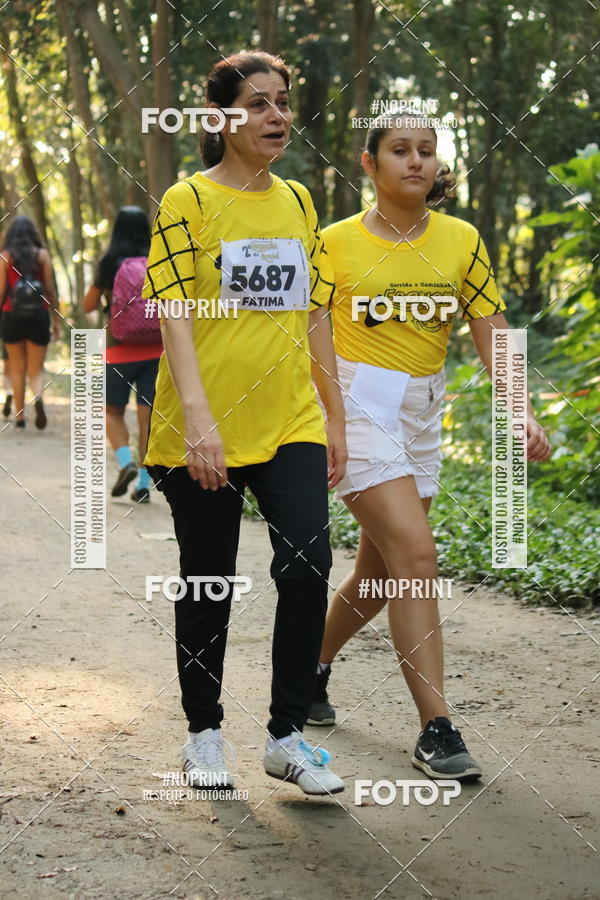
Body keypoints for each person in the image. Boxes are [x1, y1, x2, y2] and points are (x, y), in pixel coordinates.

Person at [307, 114, 551, 781]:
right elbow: (312, 330)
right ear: (370, 163)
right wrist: (331, 417)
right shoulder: (333, 242)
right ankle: (436, 729)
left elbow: (492, 329)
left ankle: (308, 670)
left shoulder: (461, 239)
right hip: (356, 404)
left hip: (422, 409)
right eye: (399, 150)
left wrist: (521, 409)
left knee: (381, 574)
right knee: (416, 556)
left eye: (425, 151)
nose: (415, 161)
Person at [143, 51, 348, 795]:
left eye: (282, 102)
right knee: (210, 582)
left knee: (309, 565)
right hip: (202, 425)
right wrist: (200, 420)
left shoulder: (297, 200)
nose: (276, 116)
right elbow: (172, 311)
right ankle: (204, 734)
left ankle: (286, 736)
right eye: (258, 104)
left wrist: (335, 413)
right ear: (219, 119)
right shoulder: (188, 201)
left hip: (289, 417)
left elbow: (316, 311)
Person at [84, 207, 162, 503]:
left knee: (112, 412)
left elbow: (89, 305)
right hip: (157, 350)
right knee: (147, 419)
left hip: (119, 350)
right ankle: (143, 484)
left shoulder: (109, 263)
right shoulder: (158, 260)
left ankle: (126, 462)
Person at [0, 216, 60, 428]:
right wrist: (56, 321)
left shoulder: (5, 256)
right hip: (39, 316)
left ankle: (19, 418)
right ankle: (38, 398)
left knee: (17, 368)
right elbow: (50, 291)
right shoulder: (42, 255)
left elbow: (1, 293)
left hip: (11, 315)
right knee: (36, 368)